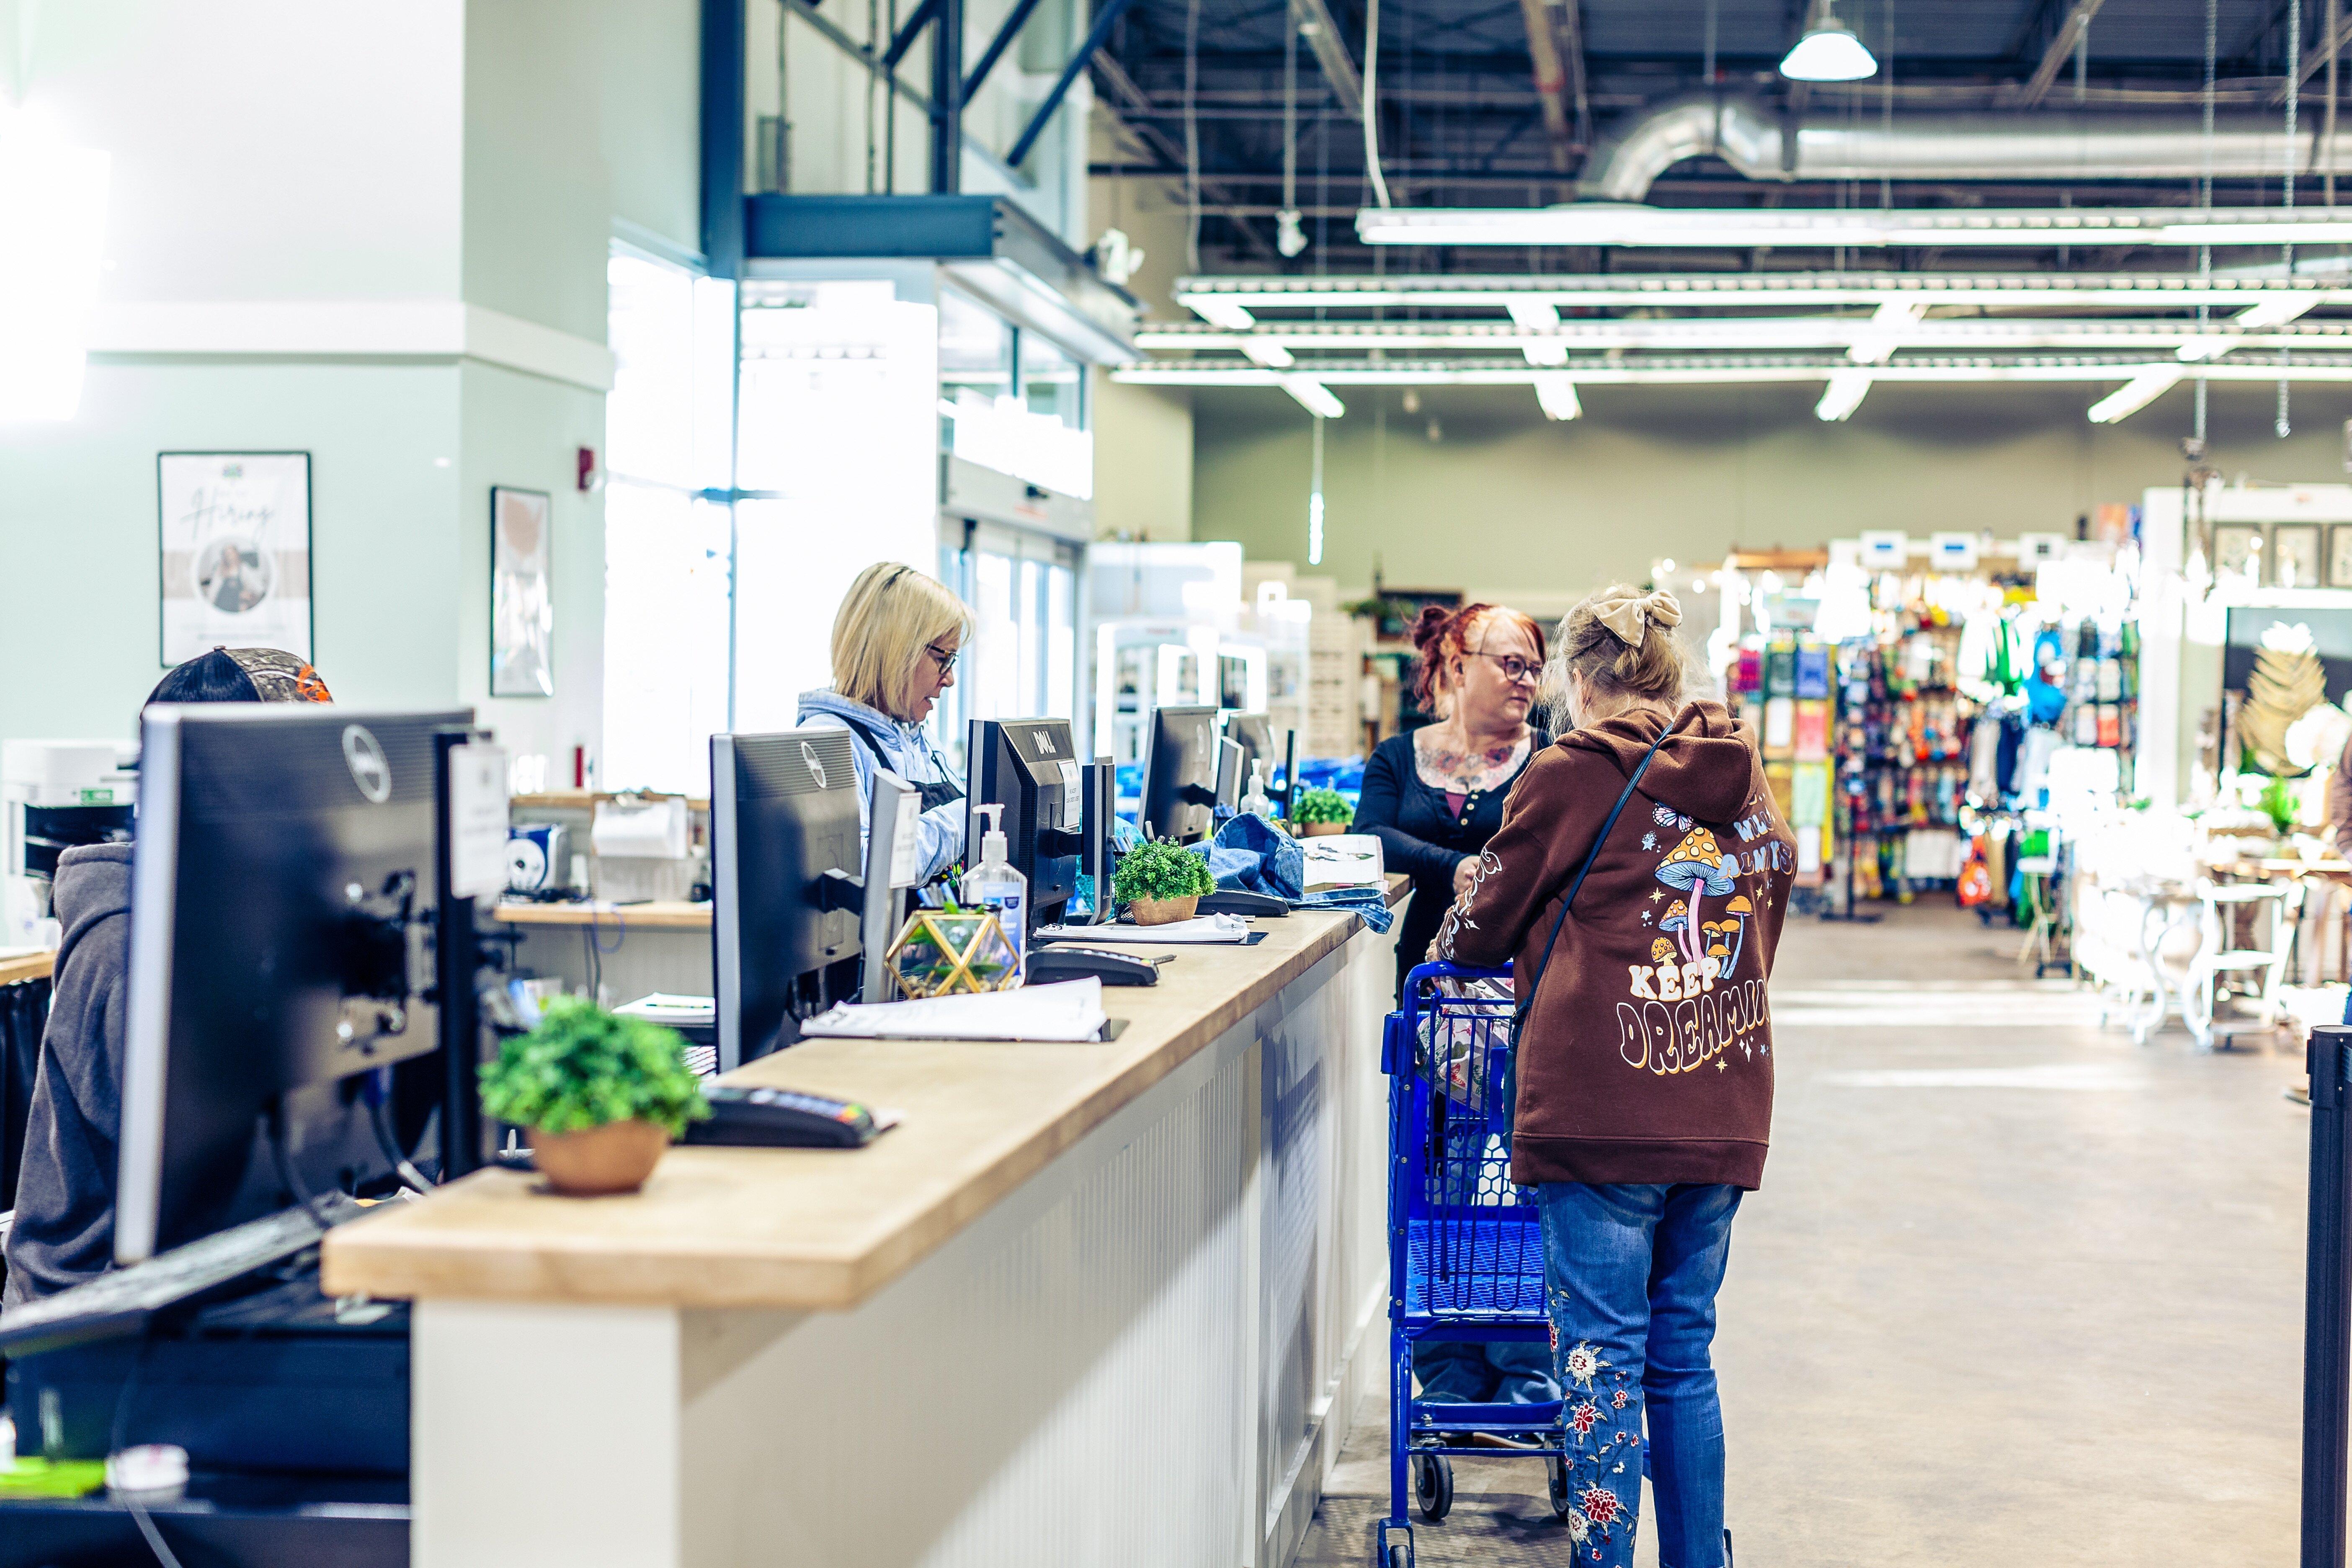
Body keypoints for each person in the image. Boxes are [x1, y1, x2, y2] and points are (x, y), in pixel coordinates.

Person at [1435, 586, 1798, 1568]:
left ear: (1579, 680)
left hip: (1599, 1108)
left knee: (1600, 1358)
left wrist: (1473, 902)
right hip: (1721, 1097)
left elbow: (1479, 935)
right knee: (1681, 1357)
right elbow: (1769, 899)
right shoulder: (1746, 773)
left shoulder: (1571, 772)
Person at [3, 647, 334, 1307]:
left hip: (205, 1277)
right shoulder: (130, 938)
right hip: (93, 1317)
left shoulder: (238, 912)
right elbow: (210, 1163)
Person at [1351, 601, 1558, 1415]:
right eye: (1510, 662)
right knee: (1437, 1185)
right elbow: (1371, 839)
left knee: (1522, 1190)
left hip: (1524, 1003)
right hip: (1432, 1002)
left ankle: (1525, 1373)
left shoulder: (1552, 763)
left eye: (1534, 666)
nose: (1526, 680)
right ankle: (1447, 1380)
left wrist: (1476, 871)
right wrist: (1458, 864)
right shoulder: (1402, 758)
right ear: (1456, 664)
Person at [798, 563, 971, 886]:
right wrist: (966, 819)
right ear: (896, 652)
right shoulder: (828, 743)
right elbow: (861, 870)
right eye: (942, 659)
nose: (949, 679)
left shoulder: (923, 740)